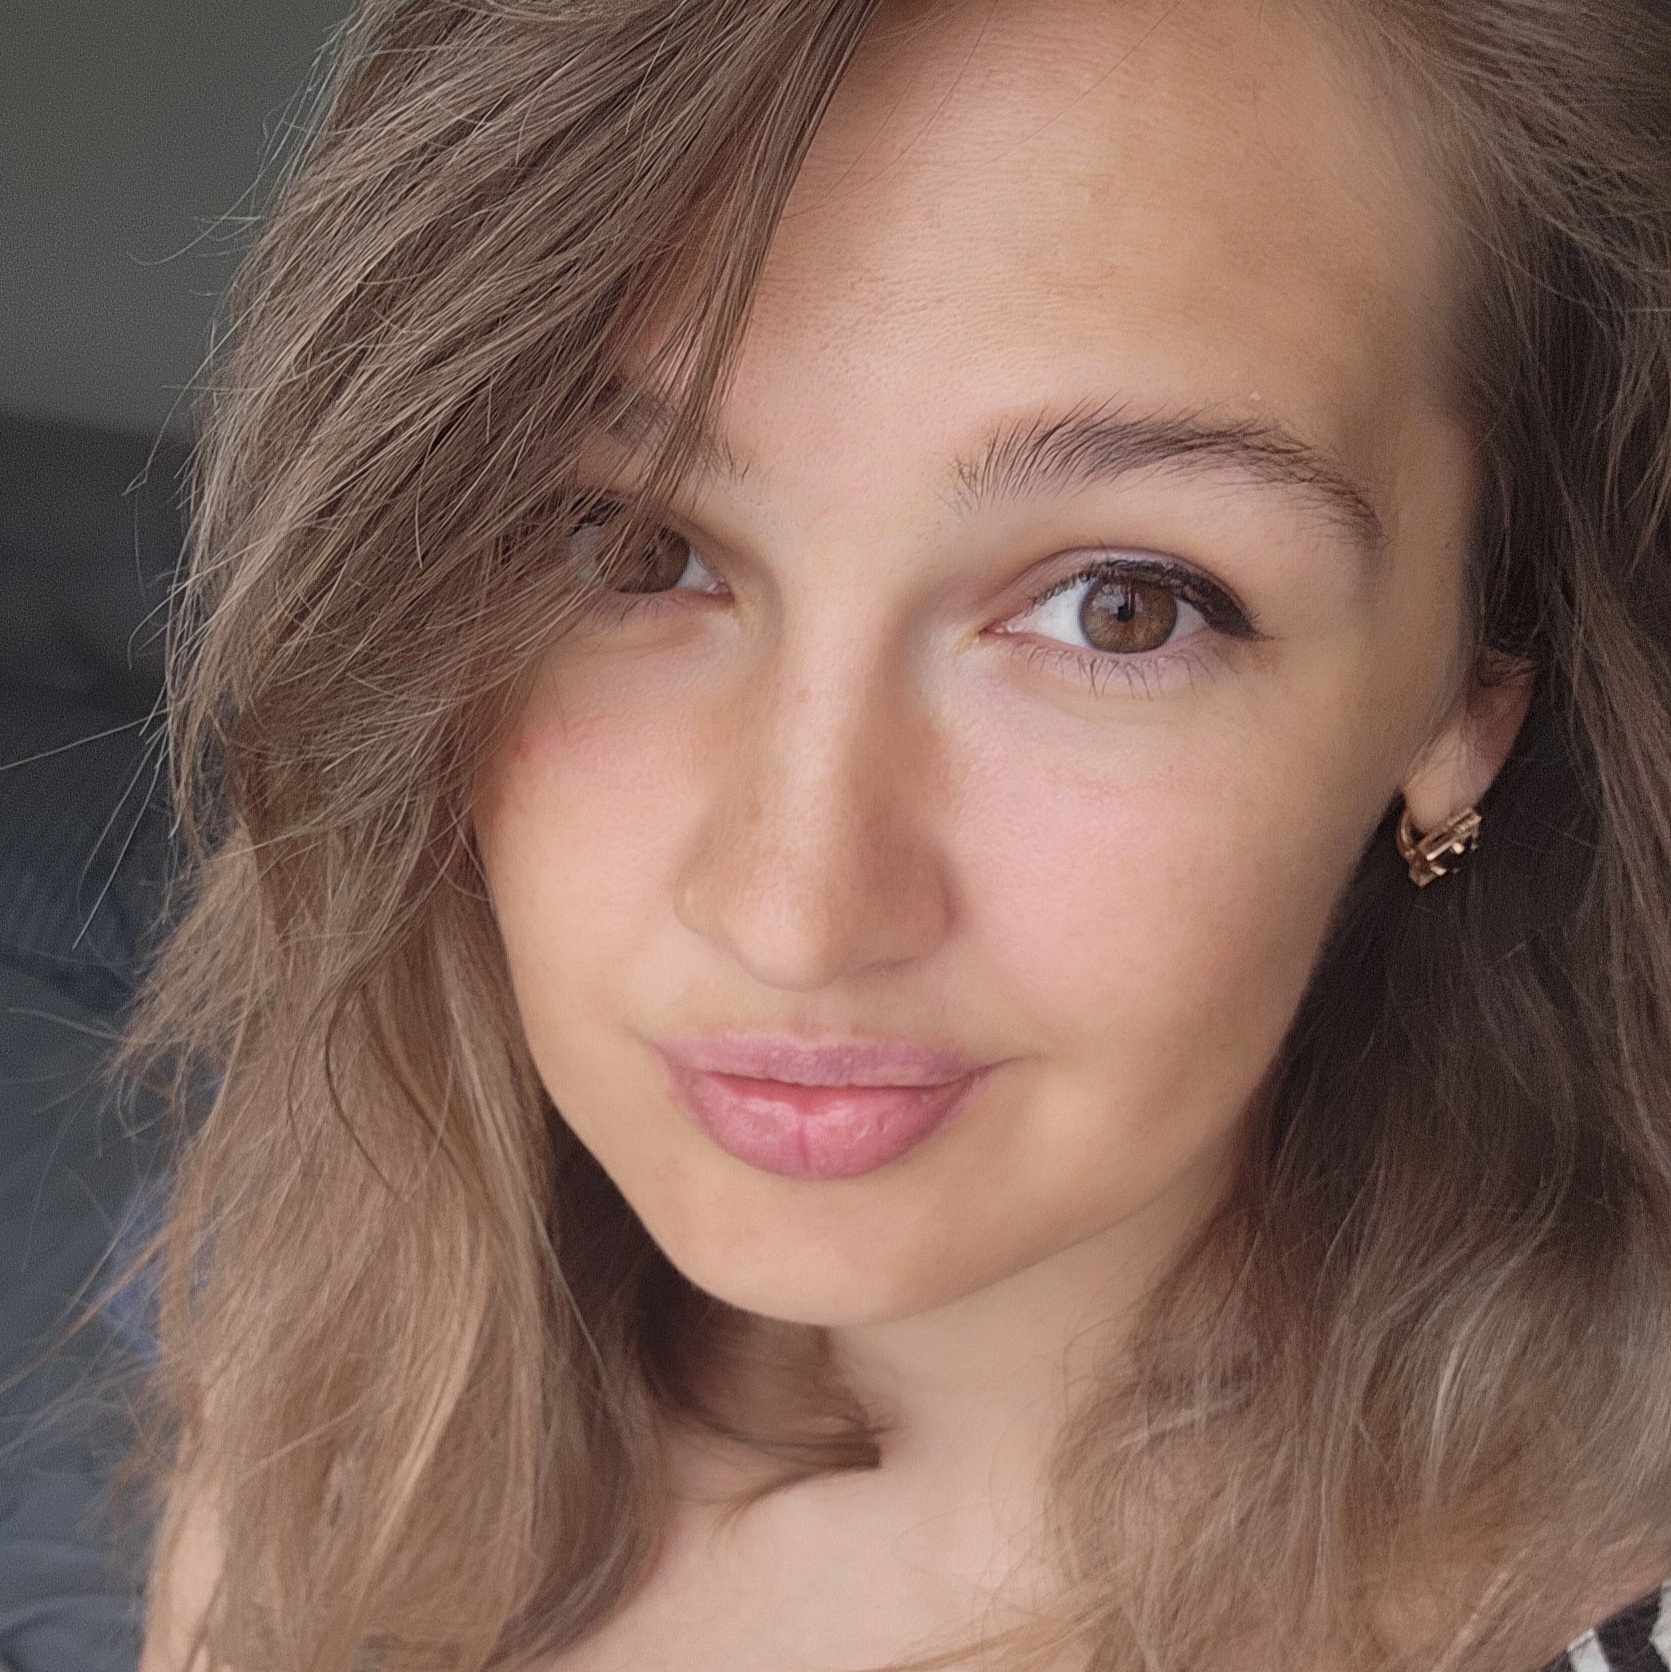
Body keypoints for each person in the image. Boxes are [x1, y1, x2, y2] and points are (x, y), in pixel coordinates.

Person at [132, 0, 1671, 1668]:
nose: (791, 911)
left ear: (1466, 698)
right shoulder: (328, 1445)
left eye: (1125, 608)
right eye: (627, 548)